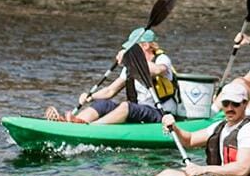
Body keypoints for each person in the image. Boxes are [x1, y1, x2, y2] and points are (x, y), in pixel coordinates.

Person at [122, 79, 250, 176]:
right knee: (168, 175)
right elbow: (190, 140)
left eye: (236, 104)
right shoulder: (220, 126)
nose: (230, 108)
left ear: (245, 103)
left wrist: (203, 169)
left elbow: (242, 170)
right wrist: (174, 127)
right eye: (226, 103)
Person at [46, 29, 177, 125]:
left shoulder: (162, 59)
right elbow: (110, 91)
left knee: (126, 106)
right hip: (139, 111)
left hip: (161, 113)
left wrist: (129, 58)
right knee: (103, 104)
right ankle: (74, 123)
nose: (129, 51)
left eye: (132, 48)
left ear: (146, 46)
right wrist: (90, 97)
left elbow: (157, 70)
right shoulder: (130, 67)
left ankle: (90, 128)